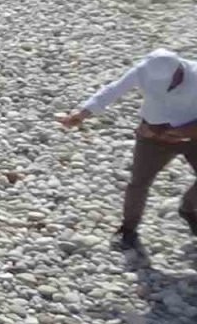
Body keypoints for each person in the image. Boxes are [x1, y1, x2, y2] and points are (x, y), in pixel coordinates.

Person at [58, 49, 197, 250]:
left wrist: (184, 131)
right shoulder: (144, 69)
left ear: (178, 71)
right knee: (138, 183)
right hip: (153, 134)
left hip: (193, 131)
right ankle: (128, 228)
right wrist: (82, 113)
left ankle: (188, 207)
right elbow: (114, 89)